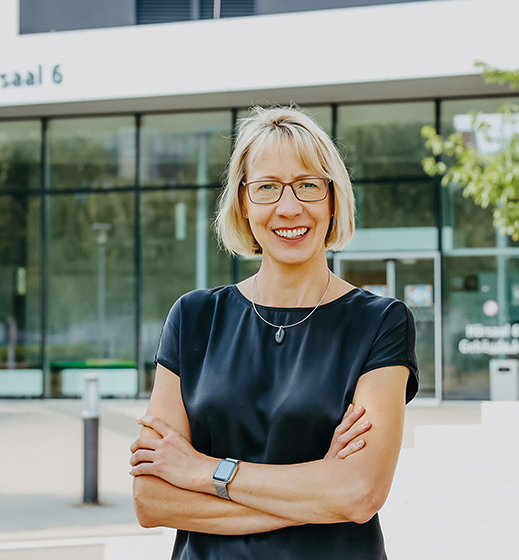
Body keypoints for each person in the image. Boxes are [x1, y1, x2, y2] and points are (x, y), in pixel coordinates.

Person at [129, 106, 419, 559]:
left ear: (332, 198)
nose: (289, 207)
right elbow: (152, 500)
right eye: (267, 187)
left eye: (307, 185)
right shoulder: (193, 317)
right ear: (243, 203)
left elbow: (360, 492)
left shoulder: (380, 322)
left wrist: (205, 471)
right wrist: (319, 490)